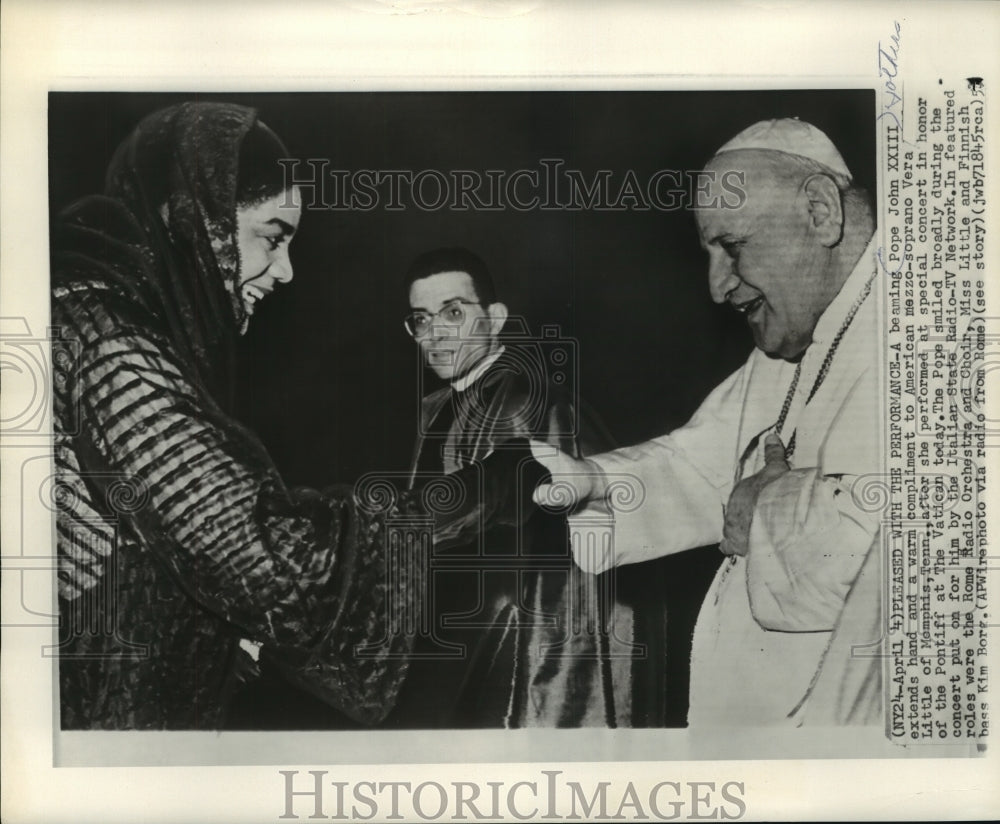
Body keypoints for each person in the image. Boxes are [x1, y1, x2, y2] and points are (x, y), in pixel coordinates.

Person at [50, 103, 541, 730]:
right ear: (190, 220)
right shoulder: (111, 346)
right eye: (272, 236)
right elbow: (272, 558)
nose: (285, 270)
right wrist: (492, 487)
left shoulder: (91, 316)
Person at [533, 119, 883, 726]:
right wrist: (591, 483)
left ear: (822, 212)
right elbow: (697, 469)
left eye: (734, 247)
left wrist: (768, 512)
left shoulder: (934, 316)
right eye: (709, 254)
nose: (717, 287)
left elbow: (920, 541)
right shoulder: (790, 344)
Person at [385, 247, 640, 727]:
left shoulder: (527, 402)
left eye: (453, 313)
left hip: (532, 642)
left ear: (495, 318)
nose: (434, 334)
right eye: (420, 320)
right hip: (467, 630)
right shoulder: (443, 406)